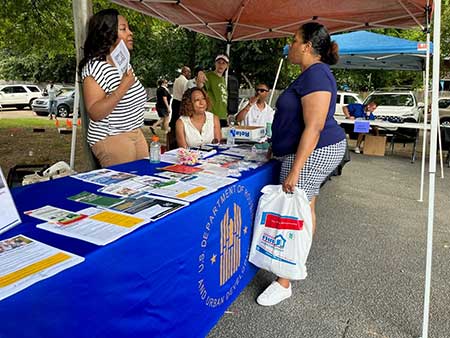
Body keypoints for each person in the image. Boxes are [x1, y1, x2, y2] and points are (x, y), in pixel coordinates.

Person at [257, 22, 347, 307]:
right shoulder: (310, 74)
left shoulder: (317, 73)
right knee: (304, 208)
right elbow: (296, 120)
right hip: (307, 149)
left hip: (315, 150)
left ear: (307, 46)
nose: (290, 45)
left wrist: (295, 169)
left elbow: (315, 125)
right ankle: (296, 263)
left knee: (292, 210)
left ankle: (284, 281)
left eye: (294, 40)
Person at [79, 8, 148, 167]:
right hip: (111, 136)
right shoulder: (95, 67)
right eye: (123, 29)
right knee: (125, 188)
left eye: (128, 28)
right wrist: (123, 86)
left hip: (135, 132)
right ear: (107, 33)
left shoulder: (123, 64)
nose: (131, 33)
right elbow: (95, 112)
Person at [197, 54, 229, 126]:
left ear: (227, 66)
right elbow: (200, 88)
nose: (221, 65)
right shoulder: (209, 76)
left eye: (223, 63)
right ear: (215, 63)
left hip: (223, 116)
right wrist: (200, 73)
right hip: (211, 115)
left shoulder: (223, 79)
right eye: (219, 62)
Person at [170, 66, 191, 131]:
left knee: (174, 119)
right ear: (185, 72)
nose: (190, 74)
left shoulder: (176, 80)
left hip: (174, 101)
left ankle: (172, 134)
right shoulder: (185, 82)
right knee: (181, 120)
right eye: (189, 72)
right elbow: (185, 94)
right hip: (180, 102)